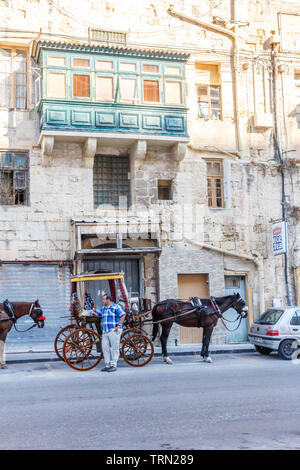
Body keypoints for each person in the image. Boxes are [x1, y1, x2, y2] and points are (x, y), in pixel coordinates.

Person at [94, 294, 126, 372]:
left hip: (113, 330)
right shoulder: (104, 308)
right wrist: (94, 312)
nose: (103, 301)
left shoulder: (116, 307)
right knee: (105, 348)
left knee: (114, 348)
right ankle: (107, 365)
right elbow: (101, 316)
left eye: (104, 299)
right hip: (105, 331)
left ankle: (113, 365)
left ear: (108, 300)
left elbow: (123, 315)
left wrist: (118, 325)